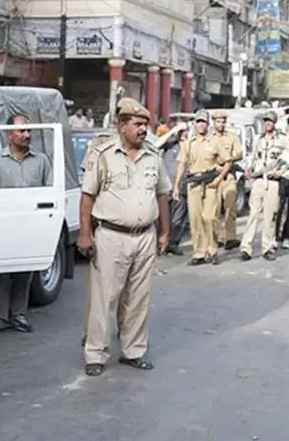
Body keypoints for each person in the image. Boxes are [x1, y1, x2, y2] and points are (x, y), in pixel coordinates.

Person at [78, 98, 170, 377]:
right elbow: (87, 197)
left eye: (145, 124)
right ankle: (96, 353)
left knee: (138, 298)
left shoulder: (153, 155)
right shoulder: (104, 154)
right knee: (104, 297)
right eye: (138, 124)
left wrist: (164, 232)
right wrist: (85, 234)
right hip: (111, 236)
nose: (143, 129)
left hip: (144, 236)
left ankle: (133, 351)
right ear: (121, 125)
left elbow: (162, 195)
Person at [0, 113, 52, 338]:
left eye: (28, 130)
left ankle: (18, 315)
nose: (27, 135)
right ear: (9, 134)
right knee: (0, 273)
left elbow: (48, 189)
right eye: (21, 131)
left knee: (25, 272)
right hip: (4, 226)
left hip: (30, 225)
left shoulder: (41, 160)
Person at [172, 110, 232, 266]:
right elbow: (181, 165)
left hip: (211, 182)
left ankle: (212, 249)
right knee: (195, 219)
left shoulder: (214, 142)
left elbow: (228, 161)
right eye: (198, 122)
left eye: (203, 122)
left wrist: (219, 178)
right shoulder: (188, 144)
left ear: (208, 124)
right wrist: (176, 186)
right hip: (193, 183)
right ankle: (199, 252)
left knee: (210, 217)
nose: (201, 125)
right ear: (194, 124)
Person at [240, 111, 289, 261]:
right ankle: (246, 248)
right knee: (253, 214)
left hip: (273, 180)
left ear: (274, 123)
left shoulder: (282, 140)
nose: (268, 123)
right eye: (266, 121)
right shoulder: (258, 140)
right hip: (259, 180)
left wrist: (282, 171)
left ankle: (267, 247)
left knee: (269, 216)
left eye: (270, 121)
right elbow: (253, 157)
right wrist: (248, 170)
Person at [209, 110, 243, 250]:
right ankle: (217, 238)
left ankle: (230, 238)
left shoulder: (232, 136)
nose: (221, 124)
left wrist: (226, 159)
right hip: (214, 175)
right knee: (214, 209)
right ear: (214, 122)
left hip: (229, 175)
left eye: (223, 122)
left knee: (230, 207)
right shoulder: (209, 138)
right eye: (218, 121)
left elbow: (239, 153)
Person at [156, 123, 190, 255]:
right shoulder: (170, 143)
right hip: (165, 187)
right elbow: (156, 144)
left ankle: (173, 244)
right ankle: (160, 244)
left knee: (178, 218)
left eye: (186, 131)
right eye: (182, 131)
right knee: (162, 217)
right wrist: (174, 130)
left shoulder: (189, 147)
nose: (184, 133)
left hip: (182, 187)